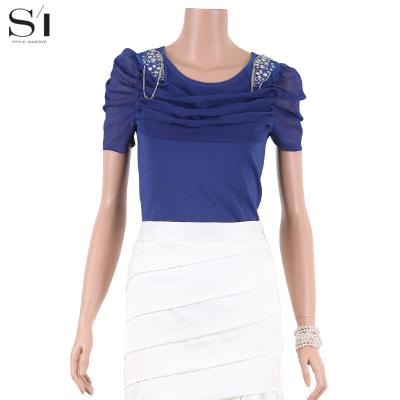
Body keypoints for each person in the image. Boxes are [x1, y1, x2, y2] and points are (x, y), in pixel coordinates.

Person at [70, 8, 327, 400]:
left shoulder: (275, 84)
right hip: (159, 290)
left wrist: (306, 330)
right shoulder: (136, 78)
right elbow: (110, 206)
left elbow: (295, 214)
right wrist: (85, 320)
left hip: (244, 294)